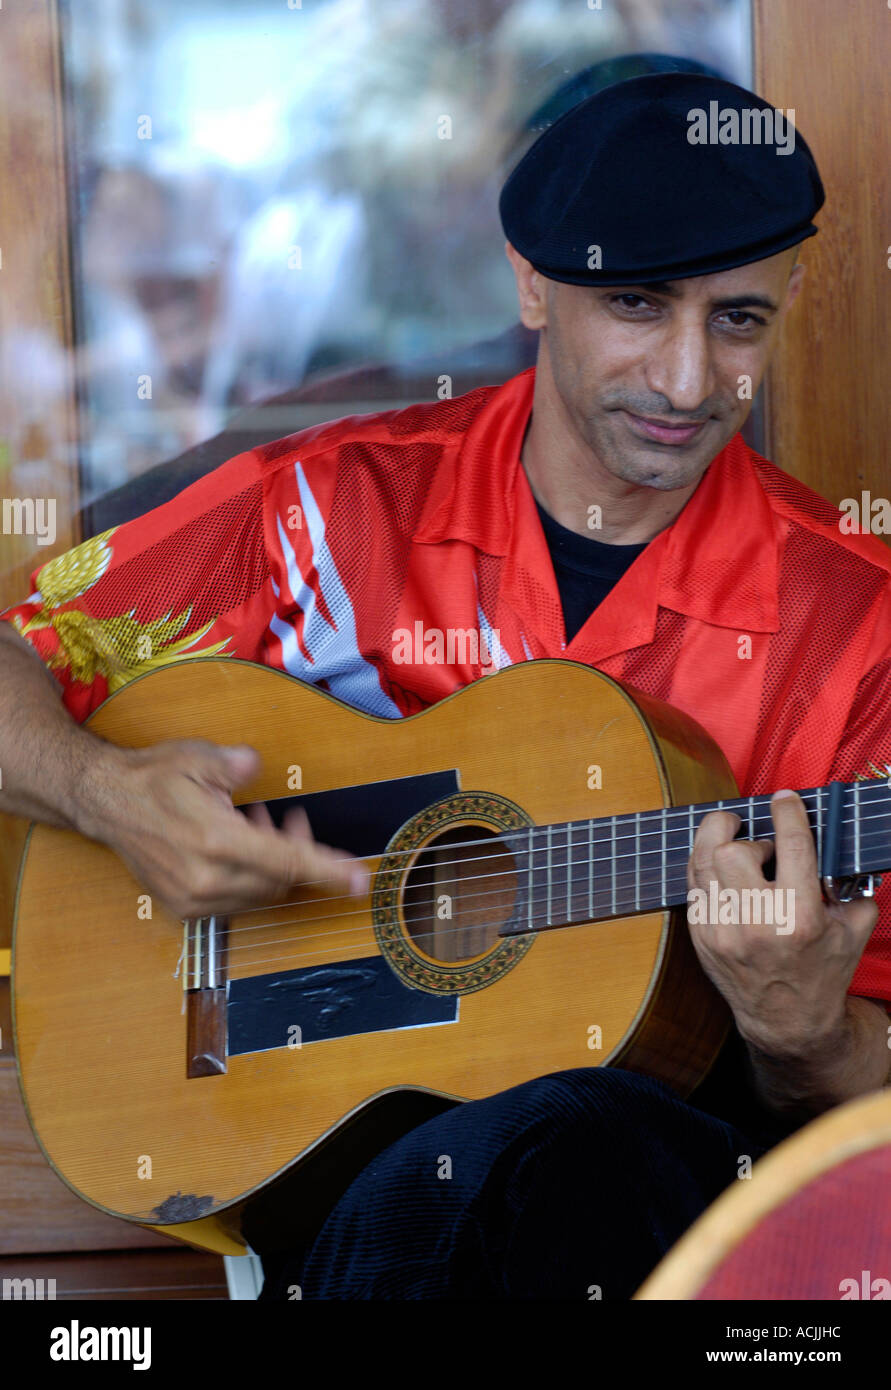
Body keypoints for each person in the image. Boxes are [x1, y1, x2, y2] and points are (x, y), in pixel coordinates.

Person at [1, 73, 890, 1300]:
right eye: (637, 304)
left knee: (576, 1149)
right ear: (532, 284)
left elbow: (861, 1117)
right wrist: (106, 793)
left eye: (737, 320)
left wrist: (806, 1037)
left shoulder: (861, 621)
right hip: (324, 1167)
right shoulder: (327, 509)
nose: (689, 381)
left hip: (676, 1220)